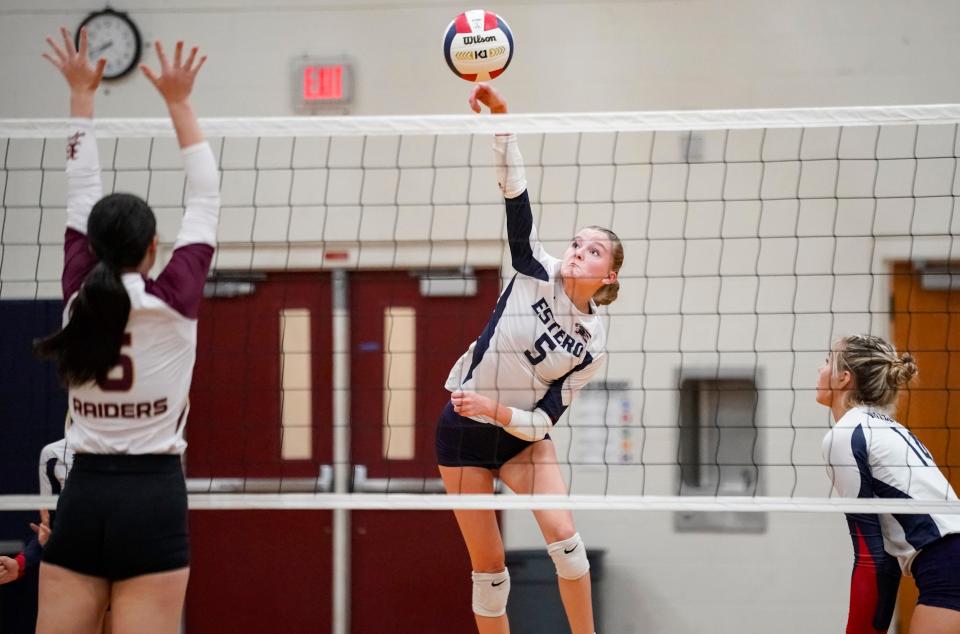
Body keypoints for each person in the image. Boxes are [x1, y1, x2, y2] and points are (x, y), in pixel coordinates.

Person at [34, 27, 219, 634]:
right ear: (152, 247)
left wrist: (82, 97)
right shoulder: (177, 299)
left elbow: (79, 187)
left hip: (84, 494)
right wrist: (179, 103)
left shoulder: (76, 294)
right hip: (154, 499)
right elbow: (206, 195)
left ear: (91, 245)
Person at [435, 83, 623, 634]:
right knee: (490, 573)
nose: (577, 250)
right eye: (577, 242)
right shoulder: (533, 269)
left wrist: (495, 411)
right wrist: (502, 123)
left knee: (566, 546)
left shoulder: (593, 342)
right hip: (463, 437)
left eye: (593, 250)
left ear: (607, 276)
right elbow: (515, 193)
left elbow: (544, 420)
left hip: (522, 441)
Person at [819, 334, 960, 634]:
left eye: (827, 361)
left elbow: (872, 559)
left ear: (844, 379)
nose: (820, 368)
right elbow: (884, 562)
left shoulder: (846, 435)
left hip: (950, 570)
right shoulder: (889, 428)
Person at [0, 437, 71, 587]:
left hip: (127, 573)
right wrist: (21, 562)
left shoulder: (132, 454)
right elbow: (48, 532)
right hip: (76, 575)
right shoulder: (53, 455)